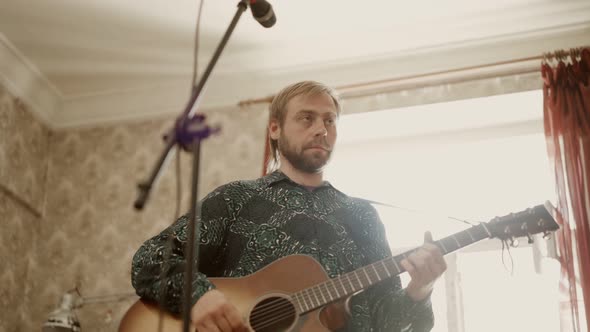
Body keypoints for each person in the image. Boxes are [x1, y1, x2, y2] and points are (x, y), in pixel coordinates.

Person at [131, 81, 447, 332]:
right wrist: (199, 297)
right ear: (274, 129)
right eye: (306, 118)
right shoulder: (236, 198)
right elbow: (150, 258)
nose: (321, 129)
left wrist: (421, 288)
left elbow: (388, 323)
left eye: (329, 121)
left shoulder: (362, 216)